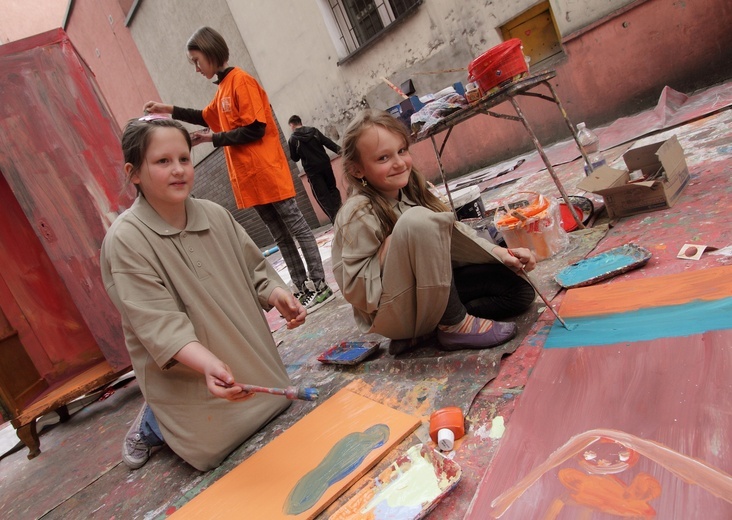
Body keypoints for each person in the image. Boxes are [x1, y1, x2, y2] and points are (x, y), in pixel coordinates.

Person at [100, 116, 307, 471]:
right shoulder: (126, 241)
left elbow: (254, 269)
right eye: (162, 162)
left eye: (183, 159)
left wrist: (277, 294)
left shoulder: (214, 214)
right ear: (134, 173)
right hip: (191, 372)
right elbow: (160, 325)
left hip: (242, 356)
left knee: (274, 401)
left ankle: (162, 412)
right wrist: (208, 364)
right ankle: (153, 423)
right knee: (213, 445)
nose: (178, 170)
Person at [143, 26, 334, 312]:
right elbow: (205, 117)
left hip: (266, 171)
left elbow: (256, 129)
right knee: (280, 235)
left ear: (210, 53)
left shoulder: (241, 81)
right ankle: (301, 286)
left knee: (297, 227)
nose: (195, 68)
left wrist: (214, 137)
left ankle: (321, 285)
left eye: (196, 60)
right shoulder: (222, 90)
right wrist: (166, 109)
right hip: (250, 180)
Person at [331, 109, 537, 354]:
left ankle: (431, 329)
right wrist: (393, 245)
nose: (399, 163)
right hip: (396, 311)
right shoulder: (357, 212)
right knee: (417, 221)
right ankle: (455, 324)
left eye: (402, 151)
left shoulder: (411, 191)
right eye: (383, 158)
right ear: (357, 170)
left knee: (520, 291)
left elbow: (453, 232)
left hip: (426, 295)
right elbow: (358, 293)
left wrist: (499, 253)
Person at [287, 115, 343, 223]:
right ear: (300, 122)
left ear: (292, 125)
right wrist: (343, 152)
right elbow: (328, 143)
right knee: (332, 189)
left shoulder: (293, 139)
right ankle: (341, 214)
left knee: (322, 196)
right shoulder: (314, 131)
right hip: (325, 166)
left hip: (313, 171)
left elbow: (295, 158)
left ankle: (336, 220)